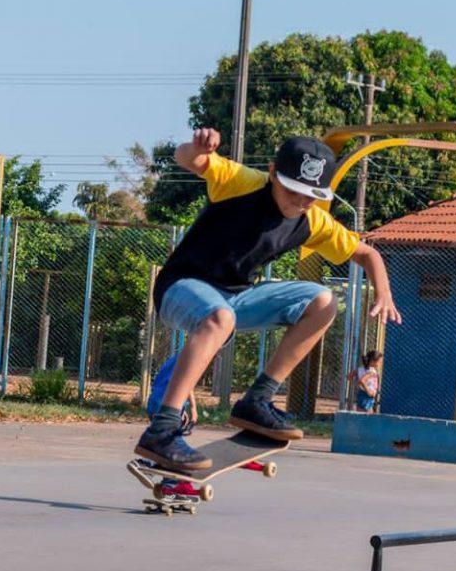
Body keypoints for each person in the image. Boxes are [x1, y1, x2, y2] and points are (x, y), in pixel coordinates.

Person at [136, 127, 401, 471]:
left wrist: (384, 291)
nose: (301, 203)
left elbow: (367, 254)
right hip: (181, 287)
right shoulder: (242, 182)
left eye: (312, 195)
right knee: (220, 318)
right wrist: (198, 147)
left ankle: (256, 400)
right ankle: (163, 429)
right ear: (274, 173)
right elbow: (188, 159)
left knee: (323, 302)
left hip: (237, 297)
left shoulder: (313, 220)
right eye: (293, 191)